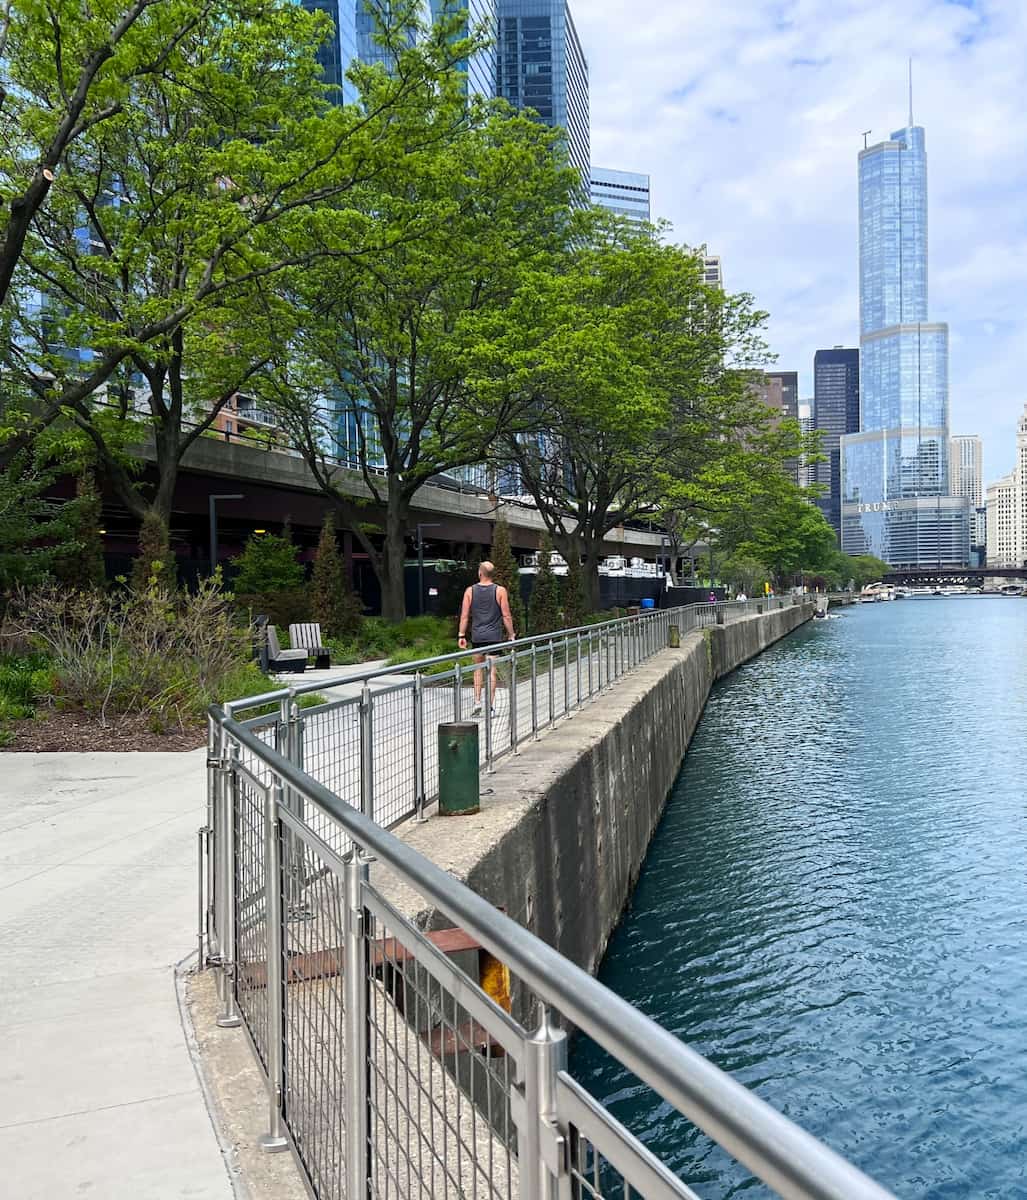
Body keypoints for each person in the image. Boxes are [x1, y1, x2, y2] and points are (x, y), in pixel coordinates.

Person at [458, 561, 515, 716]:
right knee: (492, 671)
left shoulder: (470, 591)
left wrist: (461, 635)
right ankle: (489, 707)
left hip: (477, 636)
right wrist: (511, 635)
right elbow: (506, 615)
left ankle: (477, 702)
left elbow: (464, 616)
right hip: (494, 637)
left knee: (477, 669)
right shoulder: (500, 590)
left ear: (480, 573)